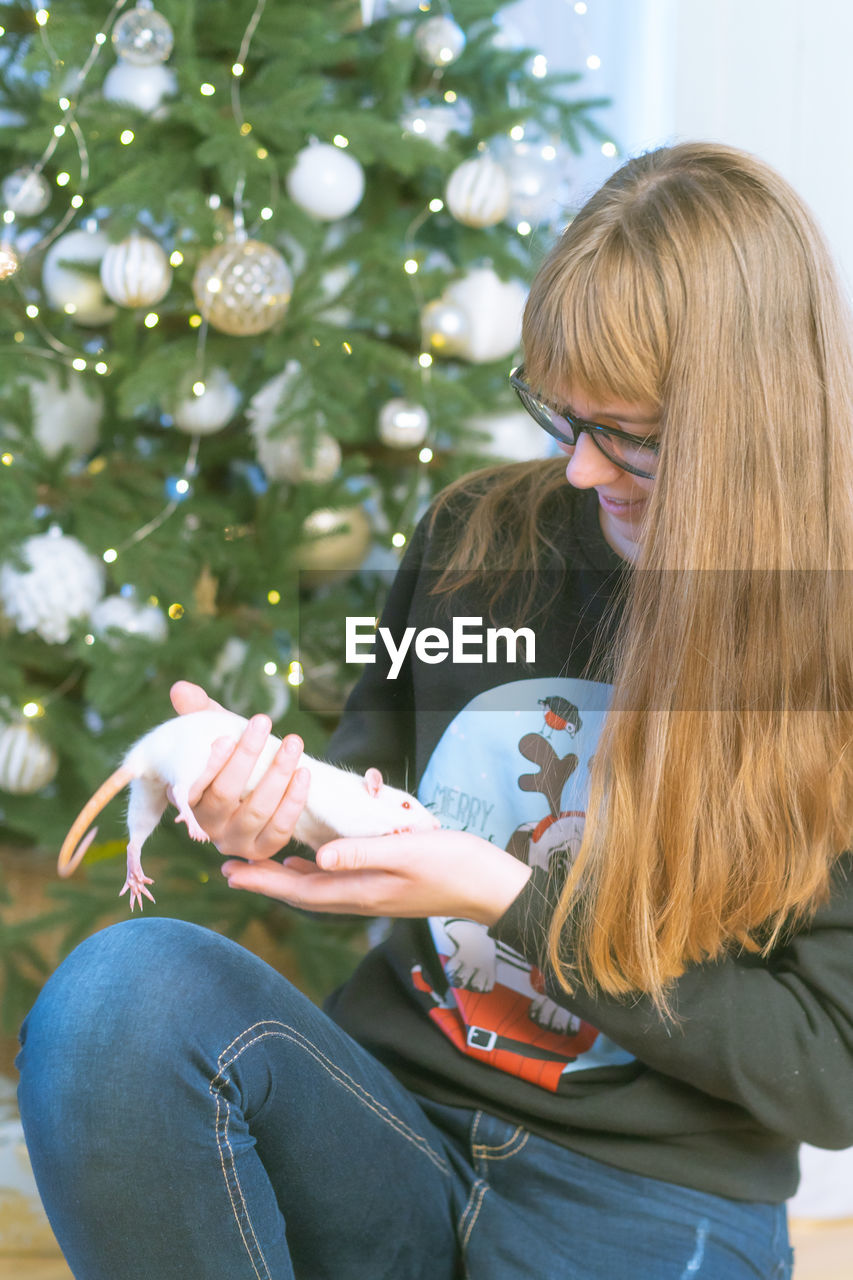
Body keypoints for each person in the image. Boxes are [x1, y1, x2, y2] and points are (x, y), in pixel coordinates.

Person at [16, 141, 853, 1280]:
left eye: (633, 440)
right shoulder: (479, 536)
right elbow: (371, 775)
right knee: (119, 999)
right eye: (564, 418)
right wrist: (268, 806)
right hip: (387, 1122)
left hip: (653, 1200)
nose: (576, 471)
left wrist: (501, 893)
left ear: (752, 436)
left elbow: (829, 1066)